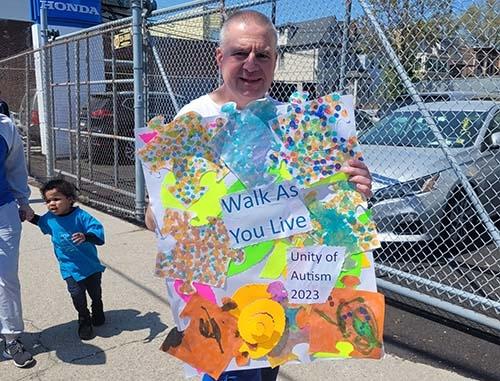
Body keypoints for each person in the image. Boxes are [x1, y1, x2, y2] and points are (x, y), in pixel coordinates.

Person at [145, 10, 373, 381]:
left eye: (262, 55)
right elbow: (158, 220)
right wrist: (162, 211)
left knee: (267, 366)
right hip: (220, 299)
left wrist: (356, 188)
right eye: (240, 53)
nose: (251, 64)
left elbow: (320, 201)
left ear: (275, 61)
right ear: (220, 58)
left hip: (274, 294)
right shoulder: (191, 123)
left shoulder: (294, 123)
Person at [29, 179, 106, 341]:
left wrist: (86, 236)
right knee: (76, 294)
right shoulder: (49, 219)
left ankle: (97, 307)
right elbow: (39, 221)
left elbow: (99, 236)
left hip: (90, 265)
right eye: (48, 201)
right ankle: (84, 318)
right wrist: (28, 216)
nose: (51, 204)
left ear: (70, 199)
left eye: (56, 199)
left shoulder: (81, 216)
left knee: (95, 291)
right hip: (69, 267)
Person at [0, 114, 35, 368]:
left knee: (6, 277)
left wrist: (23, 202)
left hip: (4, 212)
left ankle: (11, 336)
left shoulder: (5, 126)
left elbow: (16, 167)